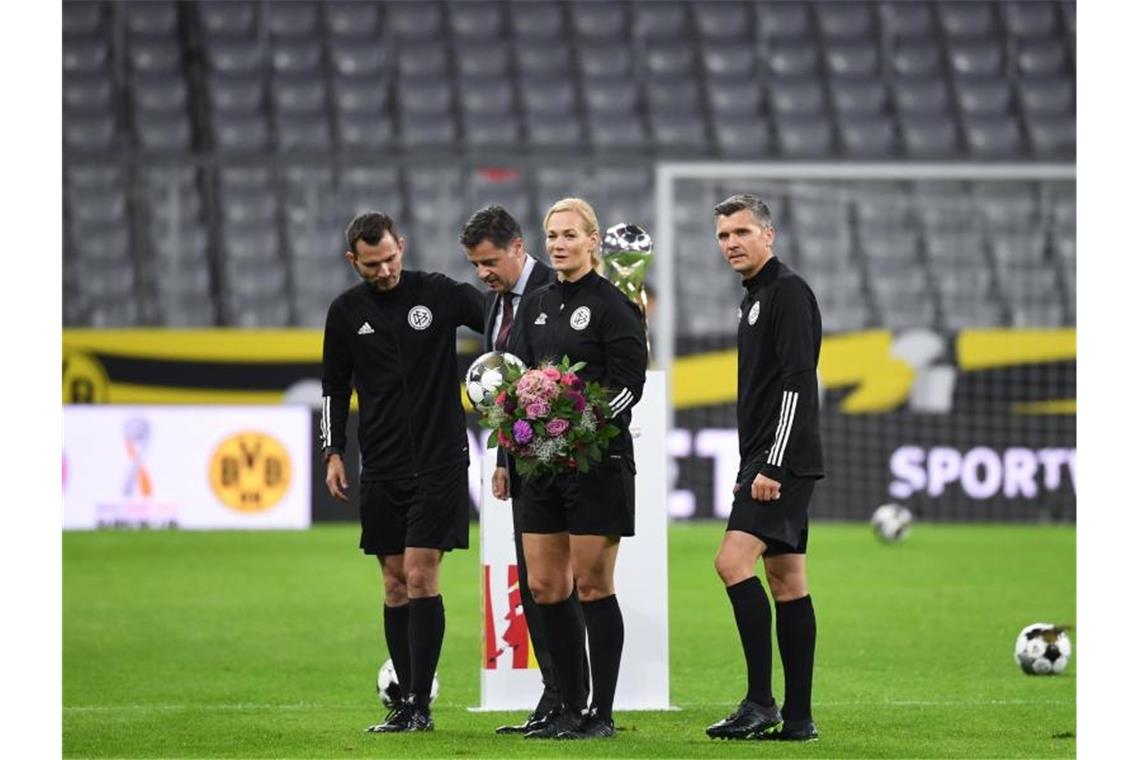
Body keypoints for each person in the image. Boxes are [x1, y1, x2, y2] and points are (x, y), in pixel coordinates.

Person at [320, 211, 484, 733]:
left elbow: (504, 317)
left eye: (391, 258)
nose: (385, 270)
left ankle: (419, 702)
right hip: (383, 465)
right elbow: (333, 388)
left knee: (420, 574)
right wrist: (333, 451)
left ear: (402, 247)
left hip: (440, 460)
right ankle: (408, 706)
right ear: (354, 261)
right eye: (372, 264)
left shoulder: (436, 293)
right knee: (393, 585)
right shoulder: (345, 312)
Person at [506, 198, 648, 740]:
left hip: (596, 462)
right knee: (545, 586)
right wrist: (507, 456)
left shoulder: (615, 306)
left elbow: (629, 385)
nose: (559, 244)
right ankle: (567, 706)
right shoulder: (535, 304)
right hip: (539, 467)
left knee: (592, 585)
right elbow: (514, 383)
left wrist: (573, 421)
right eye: (552, 236)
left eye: (570, 235)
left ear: (593, 242)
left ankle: (601, 714)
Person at [458, 205, 589, 735]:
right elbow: (507, 391)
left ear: (517, 247)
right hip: (524, 461)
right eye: (474, 265)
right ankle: (554, 695)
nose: (482, 273)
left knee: (561, 583)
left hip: (566, 461)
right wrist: (503, 458)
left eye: (489, 261)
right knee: (536, 583)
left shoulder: (555, 291)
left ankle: (574, 700)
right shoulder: (497, 303)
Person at [705, 194, 824, 742]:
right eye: (724, 235)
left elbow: (799, 381)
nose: (731, 243)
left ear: (768, 235)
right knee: (787, 582)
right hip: (770, 456)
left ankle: (760, 702)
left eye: (742, 232)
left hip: (783, 460)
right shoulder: (755, 296)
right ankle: (798, 719)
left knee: (732, 563)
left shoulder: (788, 292)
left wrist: (772, 461)